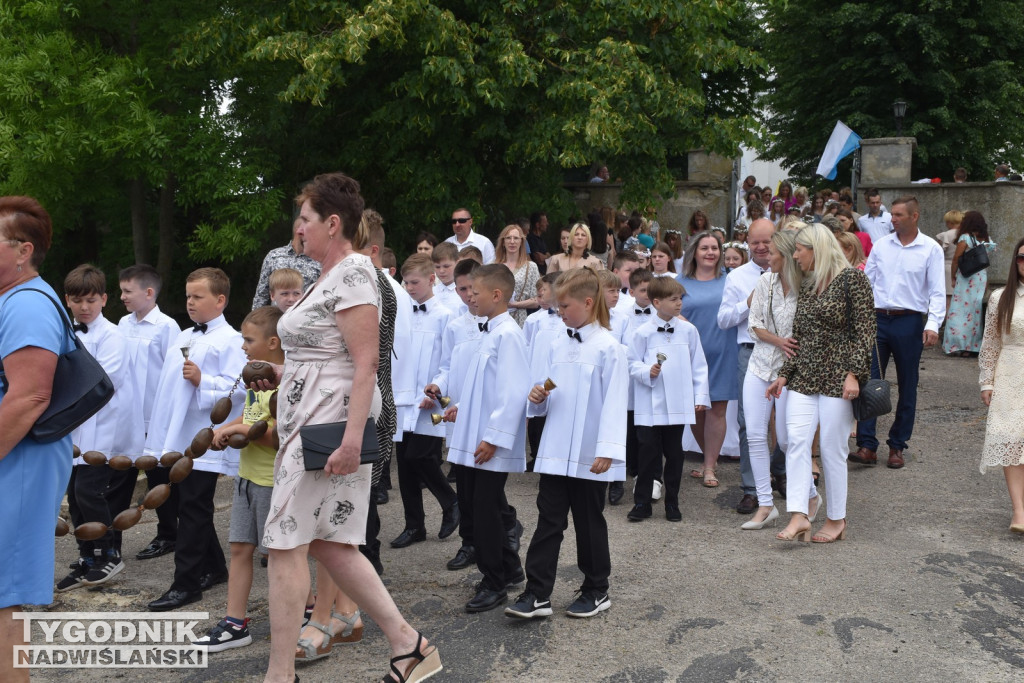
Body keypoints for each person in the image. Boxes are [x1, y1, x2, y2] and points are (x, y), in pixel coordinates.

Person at [257, 172, 440, 683]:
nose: (298, 227)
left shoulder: (356, 270)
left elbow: (365, 364)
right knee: (331, 542)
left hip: (330, 425)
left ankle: (279, 673)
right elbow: (324, 353)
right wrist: (280, 372)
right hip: (312, 419)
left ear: (332, 223)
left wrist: (353, 440)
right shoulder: (326, 275)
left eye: (306, 218)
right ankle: (409, 644)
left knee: (286, 541)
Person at [508, 267, 627, 620]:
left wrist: (607, 449)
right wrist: (538, 396)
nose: (560, 312)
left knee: (589, 521)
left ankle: (596, 588)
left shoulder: (609, 348)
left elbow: (615, 401)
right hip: (556, 449)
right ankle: (537, 593)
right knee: (549, 520)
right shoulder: (557, 343)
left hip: (590, 452)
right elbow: (548, 389)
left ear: (588, 303)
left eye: (565, 306)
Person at [0, 197, 73, 683]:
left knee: (6, 598)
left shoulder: (27, 303)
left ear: (23, 250)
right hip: (15, 455)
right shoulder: (15, 298)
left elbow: (28, 397)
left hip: (18, 459)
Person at [145, 268, 247, 611]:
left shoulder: (231, 340)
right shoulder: (185, 335)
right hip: (179, 432)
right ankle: (215, 568)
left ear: (220, 300)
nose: (190, 302)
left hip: (206, 437)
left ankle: (185, 584)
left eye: (198, 296)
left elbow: (240, 387)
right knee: (192, 505)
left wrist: (205, 381)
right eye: (188, 296)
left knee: (192, 507)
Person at [767, 224, 875, 543]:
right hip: (805, 376)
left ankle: (836, 519)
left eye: (800, 248)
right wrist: (785, 373)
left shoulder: (852, 279)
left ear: (817, 248)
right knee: (796, 441)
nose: (795, 254)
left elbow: (866, 330)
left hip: (838, 377)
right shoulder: (810, 283)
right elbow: (799, 334)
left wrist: (854, 373)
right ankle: (800, 514)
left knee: (831, 448)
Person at [192, 305, 283, 652]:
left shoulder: (284, 380)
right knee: (240, 549)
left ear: (273, 342)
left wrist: (242, 429)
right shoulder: (257, 380)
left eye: (249, 339)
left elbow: (276, 433)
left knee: (279, 556)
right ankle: (235, 623)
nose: (243, 346)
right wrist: (226, 428)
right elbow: (250, 414)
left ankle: (303, 613)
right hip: (247, 476)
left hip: (271, 481)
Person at [446, 264, 530, 613]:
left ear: (497, 295)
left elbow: (513, 392)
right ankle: (509, 569)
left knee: (485, 511)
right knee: (484, 506)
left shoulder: (507, 334)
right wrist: (461, 408)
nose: (471, 298)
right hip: (474, 433)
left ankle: (493, 581)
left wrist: (495, 438)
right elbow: (485, 385)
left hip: (488, 442)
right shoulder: (488, 331)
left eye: (475, 293)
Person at [853, 196, 945, 469]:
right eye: (891, 214)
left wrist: (932, 324)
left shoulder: (930, 249)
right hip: (878, 320)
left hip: (909, 321)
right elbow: (866, 283)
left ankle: (897, 445)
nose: (892, 218)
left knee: (907, 385)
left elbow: (937, 291)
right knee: (869, 383)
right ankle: (867, 445)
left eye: (898, 214)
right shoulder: (881, 245)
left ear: (914, 216)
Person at [57, 265, 132, 591]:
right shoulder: (65, 332)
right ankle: (87, 557)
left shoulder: (113, 336)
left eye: (90, 300)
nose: (84, 307)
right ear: (67, 301)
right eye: (77, 301)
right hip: (72, 429)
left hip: (101, 428)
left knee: (90, 491)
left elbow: (105, 382)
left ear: (103, 299)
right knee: (74, 495)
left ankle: (109, 553)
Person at [390, 254, 460, 549]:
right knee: (404, 465)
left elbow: (449, 363)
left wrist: (437, 390)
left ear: (432, 279)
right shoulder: (401, 313)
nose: (409, 288)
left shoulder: (446, 316)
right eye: (405, 283)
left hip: (431, 401)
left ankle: (451, 502)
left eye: (415, 282)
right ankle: (414, 524)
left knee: (421, 457)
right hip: (404, 400)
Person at [627, 276, 709, 521]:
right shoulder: (642, 332)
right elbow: (631, 363)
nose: (679, 303)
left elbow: (699, 364)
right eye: (673, 299)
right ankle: (642, 502)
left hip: (677, 402)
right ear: (656, 301)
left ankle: (672, 503)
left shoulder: (688, 330)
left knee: (675, 454)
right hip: (649, 403)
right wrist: (646, 371)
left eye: (680, 298)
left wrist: (700, 395)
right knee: (647, 453)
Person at [116, 264, 181, 561]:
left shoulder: (166, 327)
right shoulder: (122, 324)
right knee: (120, 475)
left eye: (128, 291)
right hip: (127, 415)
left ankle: (168, 533)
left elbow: (175, 373)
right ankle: (109, 537)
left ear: (149, 292)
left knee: (158, 476)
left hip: (155, 415)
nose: (122, 296)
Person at [740, 229, 803, 530]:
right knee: (754, 434)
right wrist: (779, 340)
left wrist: (786, 347)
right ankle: (766, 505)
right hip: (760, 364)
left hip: (792, 370)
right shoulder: (765, 280)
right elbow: (754, 326)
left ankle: (809, 497)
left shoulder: (808, 285)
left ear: (788, 254)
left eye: (773, 252)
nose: (768, 256)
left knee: (788, 439)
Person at [717, 219, 779, 514]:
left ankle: (779, 470)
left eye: (766, 240)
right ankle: (752, 487)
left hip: (786, 350)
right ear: (747, 243)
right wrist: (748, 301)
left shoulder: (791, 271)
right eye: (755, 242)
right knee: (748, 421)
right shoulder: (737, 277)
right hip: (751, 351)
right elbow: (724, 320)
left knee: (791, 418)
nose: (761, 247)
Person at [678, 231, 737, 489]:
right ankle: (707, 457)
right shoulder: (680, 282)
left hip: (724, 351)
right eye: (705, 248)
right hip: (691, 355)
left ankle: (710, 465)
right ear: (695, 252)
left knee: (718, 409)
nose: (710, 252)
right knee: (695, 411)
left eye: (714, 248)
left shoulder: (731, 280)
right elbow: (668, 311)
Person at [978, 237, 1024, 532]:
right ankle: (1019, 511)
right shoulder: (1000, 296)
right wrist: (986, 381)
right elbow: (991, 342)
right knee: (1010, 440)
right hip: (1010, 371)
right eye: (1021, 257)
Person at [523, 273, 564, 471]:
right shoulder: (535, 320)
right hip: (538, 368)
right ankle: (536, 452)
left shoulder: (568, 319)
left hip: (557, 369)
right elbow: (528, 344)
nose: (539, 296)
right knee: (537, 414)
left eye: (543, 292)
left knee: (556, 411)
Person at [943, 211, 996, 356]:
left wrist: (953, 276)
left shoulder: (966, 237)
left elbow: (956, 259)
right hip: (980, 277)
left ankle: (957, 345)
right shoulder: (987, 239)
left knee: (959, 311)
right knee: (975, 312)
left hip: (967, 278)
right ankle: (973, 346)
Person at [252, 218, 321, 308]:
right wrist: (255, 320)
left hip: (304, 317)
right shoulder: (274, 256)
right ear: (299, 232)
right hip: (276, 317)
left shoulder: (319, 260)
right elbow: (261, 295)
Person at [496, 223, 541, 326]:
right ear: (503, 242)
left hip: (521, 319)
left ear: (521, 242)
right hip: (498, 318)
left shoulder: (531, 267)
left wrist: (514, 305)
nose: (512, 242)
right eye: (508, 238)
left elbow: (537, 300)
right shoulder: (494, 267)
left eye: (516, 238)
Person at [935, 210, 963, 311]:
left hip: (946, 267)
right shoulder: (966, 235)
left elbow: (938, 253)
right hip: (963, 268)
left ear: (949, 222)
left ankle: (947, 322)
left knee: (947, 299)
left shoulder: (944, 235)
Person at [431, 241, 465, 315]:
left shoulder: (465, 293)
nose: (441, 271)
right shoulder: (431, 292)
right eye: (437, 267)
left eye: (446, 266)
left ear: (457, 263)